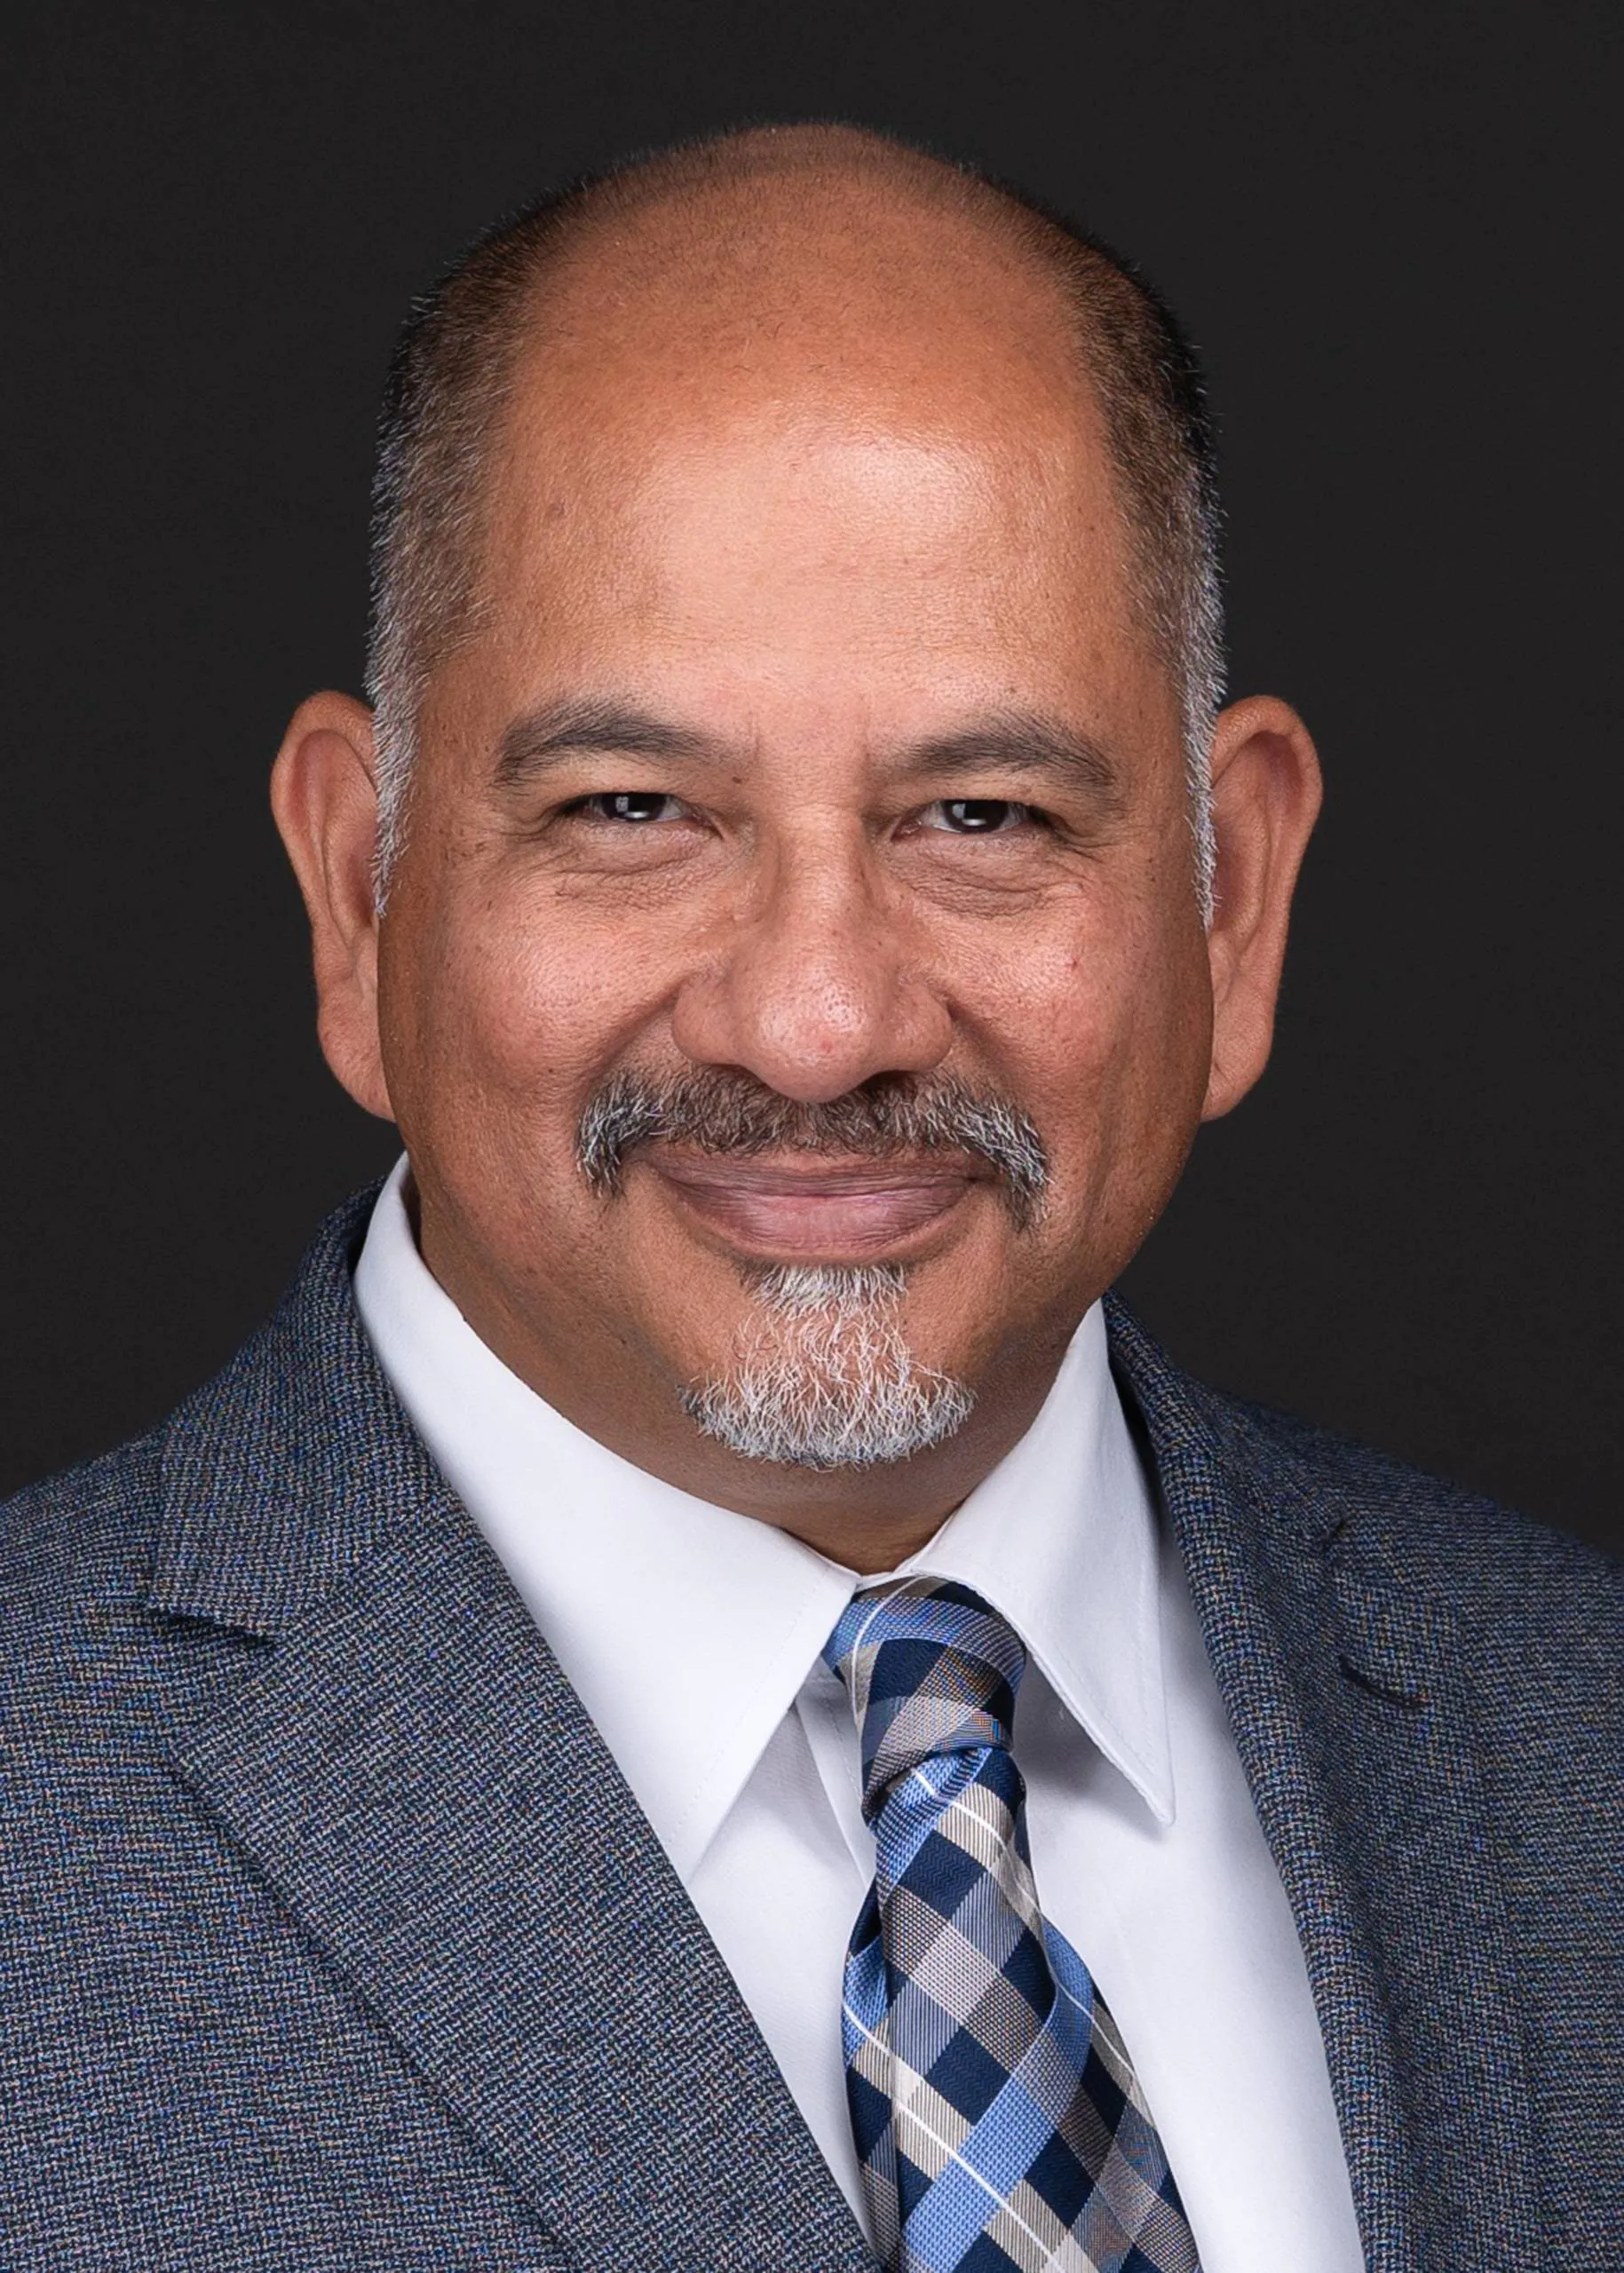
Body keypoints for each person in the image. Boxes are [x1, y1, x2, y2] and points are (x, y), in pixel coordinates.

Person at [1, 122, 1617, 2273]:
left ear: (1231, 906)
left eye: (978, 809)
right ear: (357, 885)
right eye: (634, 805)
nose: (817, 1015)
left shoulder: (1569, 1735)